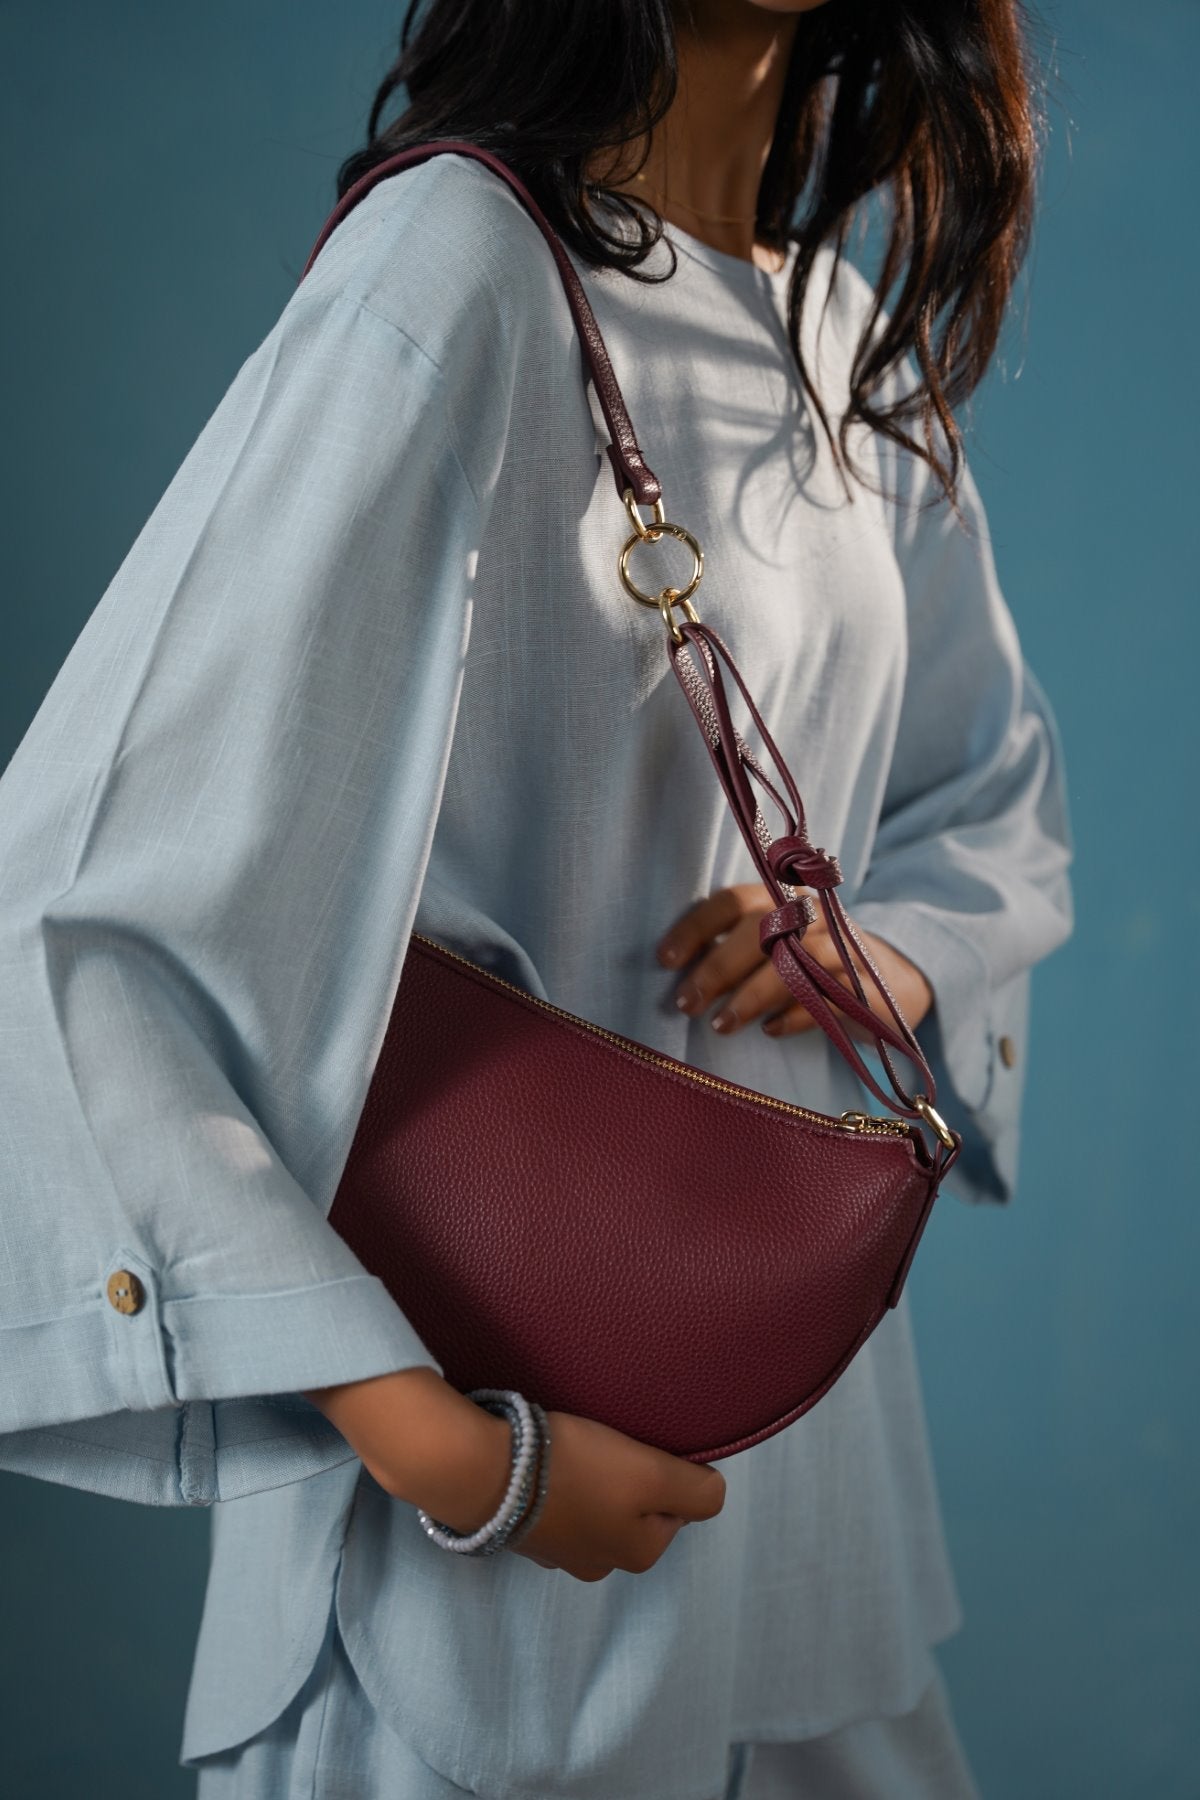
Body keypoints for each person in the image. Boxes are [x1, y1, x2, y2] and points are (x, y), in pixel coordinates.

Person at [0, 0, 1074, 1794]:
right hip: (498, 1474)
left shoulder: (839, 330)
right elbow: (91, 904)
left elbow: (989, 788)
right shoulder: (461, 262)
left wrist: (895, 950)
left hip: (811, 1482)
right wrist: (437, 1447)